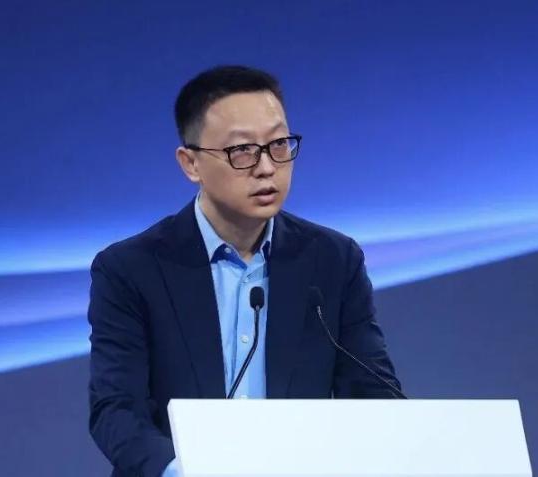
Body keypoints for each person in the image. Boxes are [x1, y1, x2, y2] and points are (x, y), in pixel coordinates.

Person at [87, 65, 402, 477]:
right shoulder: (130, 269)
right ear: (191, 163)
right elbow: (116, 410)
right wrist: (185, 471)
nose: (267, 167)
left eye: (279, 145)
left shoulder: (333, 261)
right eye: (242, 150)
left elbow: (374, 395)